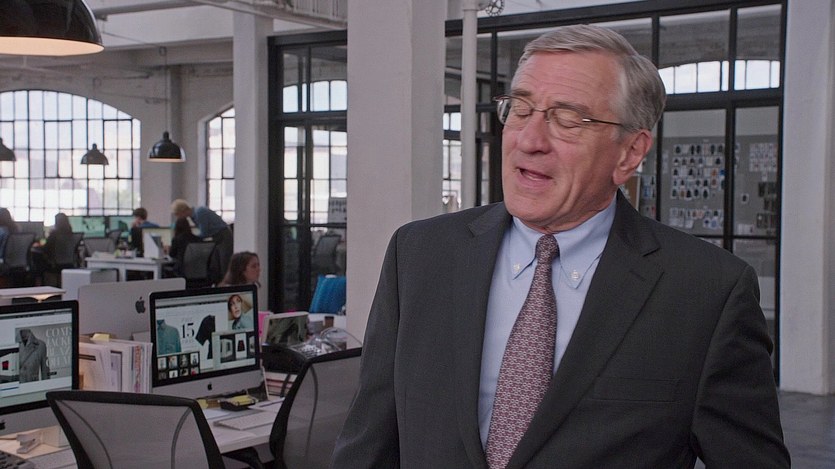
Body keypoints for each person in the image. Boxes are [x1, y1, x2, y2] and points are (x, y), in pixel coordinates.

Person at [331, 25, 789, 468]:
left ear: (629, 152)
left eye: (568, 119)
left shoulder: (708, 291)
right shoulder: (419, 255)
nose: (530, 141)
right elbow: (369, 444)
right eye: (520, 109)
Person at [170, 199, 233, 283]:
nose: (178, 217)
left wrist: (192, 239)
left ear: (182, 211)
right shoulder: (193, 216)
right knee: (216, 264)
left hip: (223, 236)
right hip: (216, 237)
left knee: (224, 263)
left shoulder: (200, 213)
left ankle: (226, 285)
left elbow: (204, 232)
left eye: (177, 214)